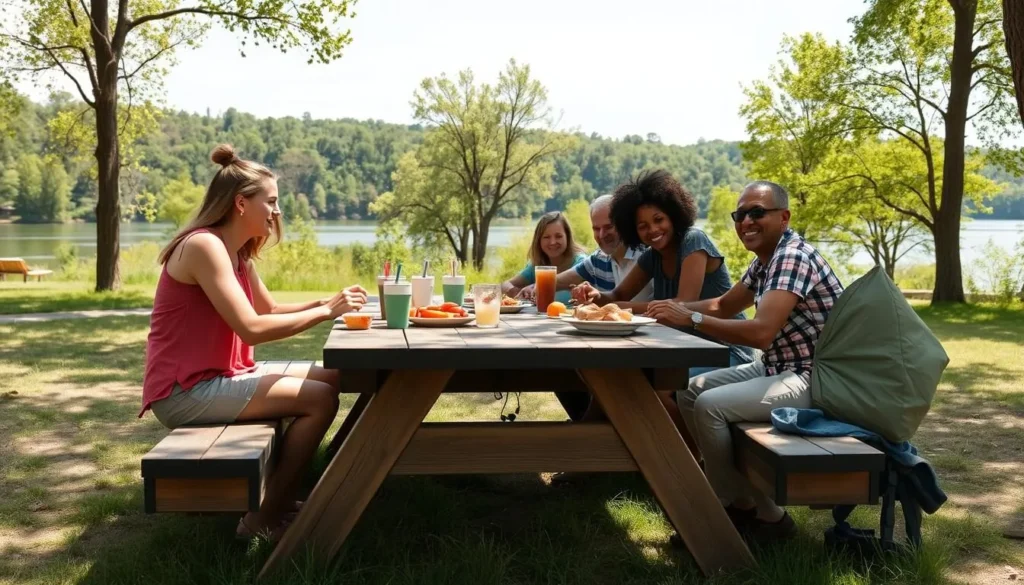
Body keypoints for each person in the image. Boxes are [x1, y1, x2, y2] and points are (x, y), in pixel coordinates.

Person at [140, 144, 368, 542]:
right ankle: (262, 517)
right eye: (272, 202)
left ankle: (305, 487)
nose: (278, 212)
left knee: (335, 375)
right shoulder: (203, 246)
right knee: (318, 399)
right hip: (185, 391)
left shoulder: (236, 251)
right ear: (241, 204)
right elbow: (252, 328)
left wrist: (329, 299)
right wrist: (327, 312)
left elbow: (271, 307)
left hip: (224, 376)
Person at [648, 180, 844, 540]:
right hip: (777, 366)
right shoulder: (765, 260)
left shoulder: (791, 257)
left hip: (811, 376)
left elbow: (760, 333)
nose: (746, 222)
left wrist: (689, 318)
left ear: (783, 217)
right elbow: (724, 304)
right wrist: (674, 309)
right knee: (691, 391)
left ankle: (720, 504)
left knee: (709, 405)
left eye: (757, 212)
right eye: (740, 215)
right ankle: (763, 513)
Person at [572, 170, 755, 370]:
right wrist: (595, 296)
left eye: (659, 220)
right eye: (643, 226)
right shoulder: (652, 256)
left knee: (660, 383)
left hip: (724, 350)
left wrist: (616, 307)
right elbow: (618, 294)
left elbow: (683, 305)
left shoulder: (693, 240)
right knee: (622, 373)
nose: (653, 230)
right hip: (683, 347)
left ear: (673, 215)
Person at [520, 195, 653, 311]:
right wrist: (534, 286)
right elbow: (561, 280)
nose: (602, 235)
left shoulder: (646, 254)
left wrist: (604, 304)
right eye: (596, 228)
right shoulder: (598, 258)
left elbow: (664, 305)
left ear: (624, 224)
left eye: (609, 227)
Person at [501, 211, 587, 305]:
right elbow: (504, 285)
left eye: (558, 236)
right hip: (541, 319)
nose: (552, 242)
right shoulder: (537, 264)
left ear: (567, 237)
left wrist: (536, 286)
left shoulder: (581, 262)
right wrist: (518, 293)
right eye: (546, 237)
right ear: (539, 241)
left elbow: (570, 280)